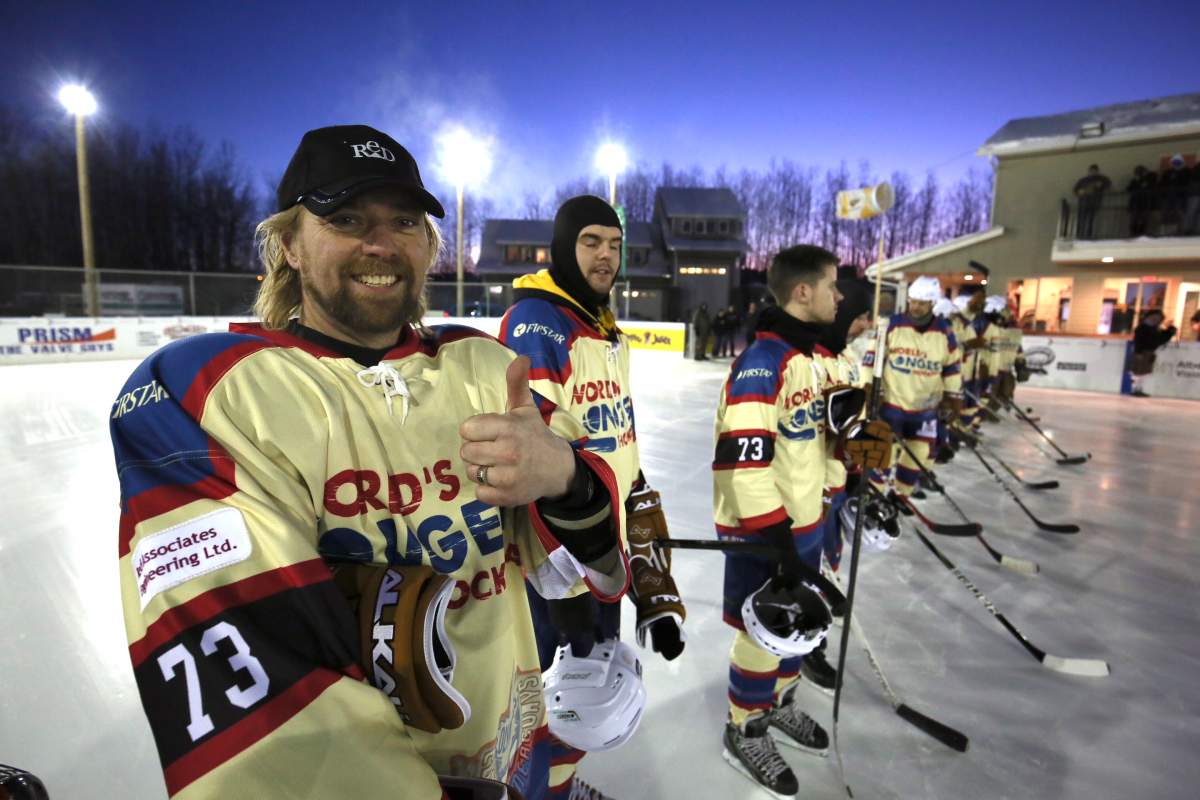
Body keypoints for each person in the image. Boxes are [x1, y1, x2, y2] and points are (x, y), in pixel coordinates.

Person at [111, 125, 629, 800]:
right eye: (346, 218)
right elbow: (260, 698)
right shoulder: (206, 392)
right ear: (289, 244)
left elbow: (576, 557)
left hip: (511, 749)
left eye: (404, 221)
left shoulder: (487, 366)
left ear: (427, 244)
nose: (380, 244)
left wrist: (565, 473)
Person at [499, 195, 687, 800]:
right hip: (558, 564)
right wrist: (563, 590)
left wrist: (650, 573)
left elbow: (618, 453)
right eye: (590, 242)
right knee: (553, 698)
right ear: (562, 246)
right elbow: (530, 465)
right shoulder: (538, 322)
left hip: (601, 548)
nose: (606, 255)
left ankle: (558, 785)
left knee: (588, 691)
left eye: (614, 243)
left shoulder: (602, 328)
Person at [713, 245, 891, 798]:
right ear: (802, 292)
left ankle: (779, 703)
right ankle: (745, 727)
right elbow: (743, 463)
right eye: (833, 286)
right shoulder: (763, 364)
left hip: (804, 522)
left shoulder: (814, 361)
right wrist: (776, 538)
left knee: (798, 625)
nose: (841, 298)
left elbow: (817, 444)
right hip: (765, 534)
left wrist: (850, 473)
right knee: (760, 632)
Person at [867, 275, 962, 510]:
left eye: (921, 302)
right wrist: (869, 389)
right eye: (912, 301)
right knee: (882, 457)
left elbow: (951, 366)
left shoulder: (944, 332)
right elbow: (871, 359)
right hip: (891, 405)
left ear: (932, 304)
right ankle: (873, 498)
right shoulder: (892, 325)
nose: (915, 307)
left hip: (925, 410)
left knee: (917, 457)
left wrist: (953, 397)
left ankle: (900, 498)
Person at [1129, 309, 1177, 397]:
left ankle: (1139, 389)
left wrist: (1170, 331)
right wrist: (1138, 351)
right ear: (1149, 317)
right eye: (1154, 317)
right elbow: (1138, 340)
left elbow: (1160, 340)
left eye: (1158, 318)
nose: (1156, 320)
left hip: (1149, 352)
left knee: (1144, 372)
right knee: (1138, 371)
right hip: (1142, 352)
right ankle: (1134, 389)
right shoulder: (1142, 328)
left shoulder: (1155, 329)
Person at [1073, 164, 1111, 239]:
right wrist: (1080, 192)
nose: (1093, 172)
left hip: (1094, 202)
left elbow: (1108, 184)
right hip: (1084, 202)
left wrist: (1101, 185)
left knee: (1091, 219)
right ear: (1089, 171)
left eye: (1094, 171)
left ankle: (1088, 235)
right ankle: (1079, 235)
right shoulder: (1083, 180)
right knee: (1081, 219)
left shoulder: (1101, 179)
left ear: (1097, 171)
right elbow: (1075, 190)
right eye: (1091, 171)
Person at [1126, 165, 1156, 237]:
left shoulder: (1149, 180)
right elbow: (1129, 189)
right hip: (1135, 203)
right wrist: (1136, 182)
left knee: (1144, 219)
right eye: (1137, 173)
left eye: (1140, 172)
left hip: (1144, 203)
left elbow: (1151, 188)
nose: (1138, 174)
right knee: (1134, 219)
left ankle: (1142, 234)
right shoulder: (1134, 181)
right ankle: (1133, 234)